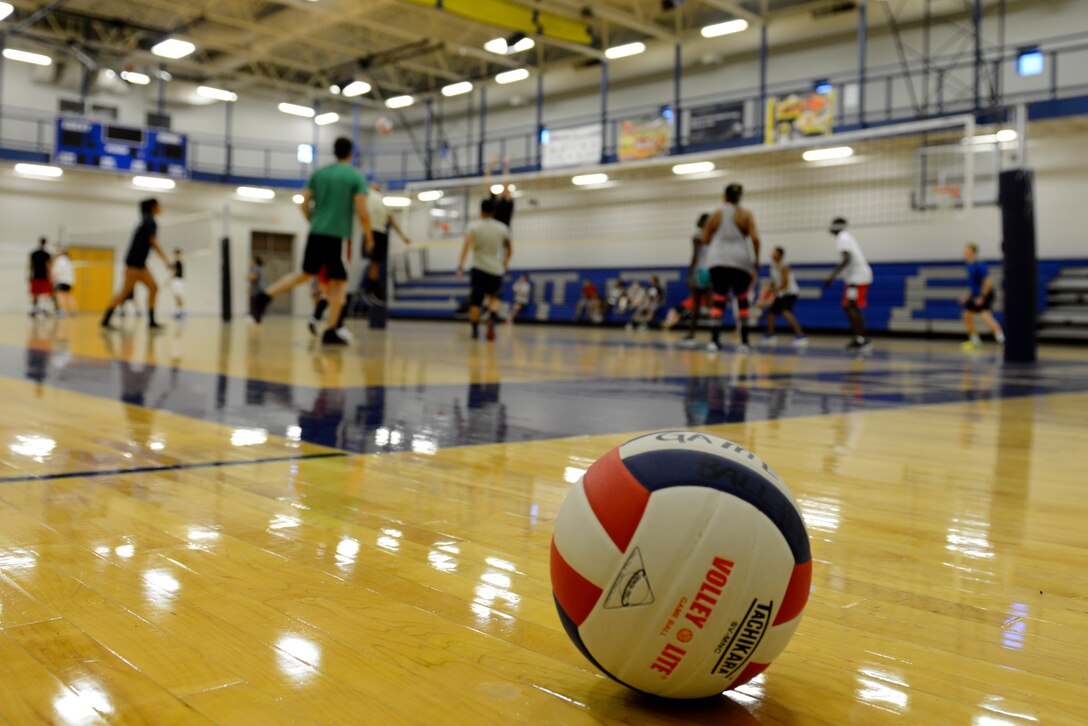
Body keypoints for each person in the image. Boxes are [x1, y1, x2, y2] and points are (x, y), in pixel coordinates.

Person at [252, 137, 373, 346]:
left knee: (305, 273)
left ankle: (264, 296)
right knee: (340, 283)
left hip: (316, 232)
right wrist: (369, 236)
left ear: (334, 152)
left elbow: (303, 202)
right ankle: (331, 330)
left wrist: (313, 220)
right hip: (339, 235)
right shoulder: (355, 177)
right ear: (350, 153)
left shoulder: (319, 174)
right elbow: (362, 211)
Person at [701, 183, 760, 353]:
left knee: (718, 300)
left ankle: (713, 340)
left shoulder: (716, 213)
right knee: (742, 300)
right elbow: (755, 239)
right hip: (741, 260)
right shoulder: (746, 214)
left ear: (725, 195)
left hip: (718, 260)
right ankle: (745, 342)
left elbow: (705, 239)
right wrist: (756, 259)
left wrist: (718, 240)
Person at [101, 198, 168, 330]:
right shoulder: (150, 221)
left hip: (140, 264)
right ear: (153, 207)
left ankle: (152, 322)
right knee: (125, 293)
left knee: (154, 288)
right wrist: (165, 259)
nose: (161, 208)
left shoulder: (145, 221)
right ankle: (106, 320)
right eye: (159, 205)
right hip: (134, 264)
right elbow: (153, 242)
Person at [456, 198, 511, 341]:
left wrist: (460, 266)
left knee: (476, 302)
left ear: (480, 210)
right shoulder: (502, 228)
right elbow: (509, 249)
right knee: (494, 299)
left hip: (479, 269)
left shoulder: (474, 226)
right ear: (494, 211)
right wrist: (505, 263)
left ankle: (474, 331)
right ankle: (492, 318)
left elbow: (466, 247)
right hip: (495, 269)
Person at [823, 217, 873, 351]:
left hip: (858, 277)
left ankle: (862, 340)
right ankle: (859, 338)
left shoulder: (842, 238)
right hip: (854, 278)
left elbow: (847, 258)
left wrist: (832, 276)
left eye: (833, 225)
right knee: (849, 307)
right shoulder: (845, 237)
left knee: (852, 307)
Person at [363, 181, 412, 306]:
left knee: (376, 262)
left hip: (380, 232)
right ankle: (368, 289)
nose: (377, 184)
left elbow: (392, 220)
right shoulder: (366, 193)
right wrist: (368, 236)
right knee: (373, 261)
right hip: (371, 231)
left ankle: (371, 289)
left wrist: (403, 236)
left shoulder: (382, 200)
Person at [961, 243, 1006, 350]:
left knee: (986, 316)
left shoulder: (979, 265)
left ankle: (1002, 339)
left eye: (967, 250)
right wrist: (967, 296)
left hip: (985, 294)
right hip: (976, 295)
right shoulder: (969, 266)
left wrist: (982, 296)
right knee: (966, 315)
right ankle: (975, 340)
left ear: (973, 252)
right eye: (964, 250)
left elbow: (988, 281)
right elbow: (973, 285)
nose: (965, 252)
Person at [762, 247, 808, 347]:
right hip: (781, 293)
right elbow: (774, 281)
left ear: (780, 255)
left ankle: (800, 335)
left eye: (774, 252)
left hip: (790, 292)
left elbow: (785, 284)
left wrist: (773, 290)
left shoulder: (784, 266)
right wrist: (769, 288)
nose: (772, 253)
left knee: (786, 312)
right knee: (771, 312)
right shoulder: (773, 266)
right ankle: (771, 334)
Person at [677, 214, 711, 347]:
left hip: (700, 271)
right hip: (712, 270)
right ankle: (714, 336)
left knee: (696, 304)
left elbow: (695, 257)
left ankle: (692, 335)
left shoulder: (697, 236)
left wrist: (689, 274)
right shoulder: (714, 236)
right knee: (712, 304)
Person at [485, 156, 515, 228]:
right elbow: (487, 183)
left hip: (505, 231)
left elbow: (507, 183)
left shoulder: (506, 203)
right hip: (494, 231)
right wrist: (490, 165)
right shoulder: (493, 202)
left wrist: (506, 166)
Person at [28, 237, 52, 317]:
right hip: (44, 277)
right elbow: (48, 266)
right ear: (45, 243)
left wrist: (29, 275)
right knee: (45, 294)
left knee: (34, 293)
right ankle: (45, 309)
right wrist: (51, 276)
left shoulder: (34, 253)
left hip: (35, 276)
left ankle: (33, 309)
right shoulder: (47, 254)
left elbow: (30, 265)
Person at [52, 247, 76, 317]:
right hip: (69, 281)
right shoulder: (69, 260)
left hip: (61, 280)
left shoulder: (60, 260)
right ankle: (74, 311)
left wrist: (54, 279)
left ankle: (62, 311)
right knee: (69, 295)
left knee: (60, 295)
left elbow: (56, 271)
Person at [171, 248, 186, 318]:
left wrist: (169, 280)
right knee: (177, 296)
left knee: (179, 295)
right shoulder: (176, 262)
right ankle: (178, 311)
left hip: (178, 280)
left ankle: (182, 311)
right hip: (177, 280)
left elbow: (175, 272)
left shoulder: (178, 262)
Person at [248, 255, 264, 320]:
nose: (250, 262)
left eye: (251, 260)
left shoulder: (256, 268)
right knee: (255, 304)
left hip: (257, 289)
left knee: (255, 304)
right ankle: (256, 318)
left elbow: (254, 277)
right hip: (257, 289)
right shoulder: (257, 268)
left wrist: (249, 277)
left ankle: (256, 318)